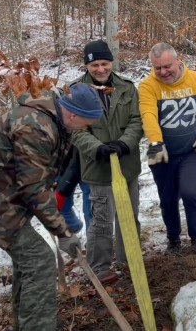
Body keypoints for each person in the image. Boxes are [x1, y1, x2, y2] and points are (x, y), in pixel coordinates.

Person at [0, 84, 103, 330]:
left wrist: (59, 223)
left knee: (29, 259)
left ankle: (29, 322)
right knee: (38, 259)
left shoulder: (55, 121)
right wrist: (63, 232)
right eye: (86, 122)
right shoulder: (37, 126)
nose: (86, 128)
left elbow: (41, 176)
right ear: (73, 114)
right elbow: (32, 188)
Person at [71, 40, 143, 279]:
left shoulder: (127, 88)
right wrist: (97, 149)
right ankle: (99, 269)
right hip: (98, 168)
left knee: (129, 216)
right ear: (87, 65)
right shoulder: (75, 91)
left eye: (104, 63)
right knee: (101, 220)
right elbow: (76, 130)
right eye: (94, 65)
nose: (100, 69)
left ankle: (129, 259)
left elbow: (136, 120)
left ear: (111, 62)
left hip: (127, 165)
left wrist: (125, 143)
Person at [139, 42, 196, 255]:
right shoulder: (148, 86)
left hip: (191, 150)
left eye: (167, 67)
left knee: (190, 192)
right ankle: (173, 239)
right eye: (157, 68)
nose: (162, 72)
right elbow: (148, 115)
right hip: (162, 153)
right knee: (168, 198)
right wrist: (155, 142)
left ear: (178, 62)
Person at [54, 147, 92, 231]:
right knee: (62, 206)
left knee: (90, 210)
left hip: (86, 164)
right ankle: (74, 230)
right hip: (64, 166)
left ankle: (91, 239)